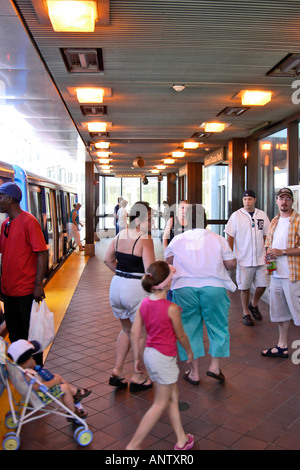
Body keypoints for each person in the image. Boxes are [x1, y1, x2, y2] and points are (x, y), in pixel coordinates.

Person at [126, 261, 194, 451]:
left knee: (172, 395)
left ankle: (181, 438)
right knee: (160, 403)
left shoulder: (144, 303)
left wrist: (137, 359)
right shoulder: (171, 308)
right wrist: (188, 350)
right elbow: (181, 335)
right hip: (164, 358)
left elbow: (135, 332)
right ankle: (134, 445)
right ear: (168, 283)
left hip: (150, 355)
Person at [165, 204, 236, 384]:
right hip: (214, 287)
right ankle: (214, 367)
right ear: (205, 220)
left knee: (189, 328)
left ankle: (194, 372)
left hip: (184, 288)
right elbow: (231, 264)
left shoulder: (178, 240)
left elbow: (168, 262)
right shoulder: (218, 239)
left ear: (187, 220)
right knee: (218, 326)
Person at [103, 201, 155, 391]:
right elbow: (150, 270)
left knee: (126, 330)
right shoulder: (144, 238)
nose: (151, 222)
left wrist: (122, 274)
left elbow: (107, 259)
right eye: (150, 218)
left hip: (116, 286)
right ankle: (138, 375)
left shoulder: (119, 235)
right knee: (139, 333)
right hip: (135, 289)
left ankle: (117, 370)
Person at [0, 182, 48, 366]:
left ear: (9, 199)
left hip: (26, 291)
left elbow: (41, 252)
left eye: (0, 197)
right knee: (15, 335)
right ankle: (23, 370)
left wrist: (38, 285)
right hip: (9, 291)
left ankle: (37, 372)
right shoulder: (6, 223)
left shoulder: (29, 221)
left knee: (32, 335)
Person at [7, 339, 91, 420]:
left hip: (37, 391)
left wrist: (34, 368)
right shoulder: (27, 374)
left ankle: (76, 393)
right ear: (26, 362)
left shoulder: (20, 369)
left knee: (57, 376)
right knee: (64, 388)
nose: (33, 359)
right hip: (41, 395)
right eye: (32, 358)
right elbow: (38, 387)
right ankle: (73, 412)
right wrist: (54, 382)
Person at [262, 187, 300, 359]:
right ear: (276, 201)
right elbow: (270, 246)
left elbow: (281, 250)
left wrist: (282, 252)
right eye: (281, 198)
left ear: (293, 201)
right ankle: (282, 346)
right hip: (276, 276)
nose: (284, 202)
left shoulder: (298, 220)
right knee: (280, 314)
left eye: (287, 199)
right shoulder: (274, 221)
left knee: (298, 313)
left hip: (293, 276)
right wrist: (268, 262)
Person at [225, 189, 270, 326]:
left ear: (255, 200)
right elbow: (230, 236)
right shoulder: (236, 216)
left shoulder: (261, 215)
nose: (247, 202)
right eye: (245, 199)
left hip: (261, 258)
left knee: (263, 285)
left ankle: (254, 303)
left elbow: (266, 235)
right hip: (243, 259)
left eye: (250, 199)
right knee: (244, 288)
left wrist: (267, 251)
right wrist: (230, 254)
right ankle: (246, 313)